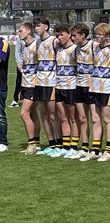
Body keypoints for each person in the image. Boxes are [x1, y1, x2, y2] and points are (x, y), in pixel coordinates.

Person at [81, 23, 110, 162]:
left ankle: (108, 150)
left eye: (100, 35)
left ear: (107, 36)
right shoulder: (95, 47)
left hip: (107, 88)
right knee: (95, 119)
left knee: (107, 119)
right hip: (94, 87)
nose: (97, 37)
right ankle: (95, 150)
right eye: (96, 34)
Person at [33, 17, 62, 156]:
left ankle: (59, 143)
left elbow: (68, 42)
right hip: (39, 82)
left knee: (53, 115)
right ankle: (51, 144)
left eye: (38, 26)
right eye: (35, 26)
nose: (36, 28)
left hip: (51, 82)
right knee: (43, 114)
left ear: (46, 27)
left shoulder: (54, 41)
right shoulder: (38, 42)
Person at [50, 24, 79, 158]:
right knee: (63, 118)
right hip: (59, 86)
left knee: (73, 118)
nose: (59, 37)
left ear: (69, 34)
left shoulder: (74, 49)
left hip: (71, 87)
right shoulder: (59, 49)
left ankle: (74, 146)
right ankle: (66, 146)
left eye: (62, 34)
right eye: (57, 35)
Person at [67, 23, 94, 159]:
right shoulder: (76, 49)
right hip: (79, 85)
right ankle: (84, 147)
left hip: (92, 87)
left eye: (75, 35)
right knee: (82, 118)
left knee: (95, 119)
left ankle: (95, 148)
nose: (72, 38)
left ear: (83, 35)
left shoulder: (93, 46)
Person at [17, 23, 41, 155]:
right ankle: (36, 143)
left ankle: (31, 143)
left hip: (34, 84)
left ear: (28, 31)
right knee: (33, 114)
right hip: (26, 84)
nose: (18, 33)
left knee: (23, 113)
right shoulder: (24, 46)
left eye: (21, 30)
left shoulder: (37, 44)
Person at [0, 33, 9, 152]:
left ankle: (2, 141)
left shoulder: (3, 43)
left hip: (0, 86)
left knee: (0, 115)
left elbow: (1, 60)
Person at [11, 33, 23, 108]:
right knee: (19, 82)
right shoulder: (20, 39)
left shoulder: (37, 38)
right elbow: (17, 52)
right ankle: (15, 100)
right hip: (22, 65)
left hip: (33, 66)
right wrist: (19, 63)